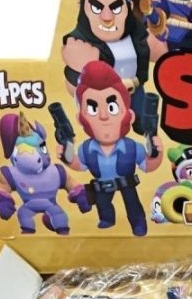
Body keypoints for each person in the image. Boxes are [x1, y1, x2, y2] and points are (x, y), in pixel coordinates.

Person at [59, 61, 163, 236]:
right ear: (80, 118)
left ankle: (138, 223)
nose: (103, 116)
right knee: (103, 204)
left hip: (127, 183)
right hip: (102, 185)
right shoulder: (87, 148)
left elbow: (147, 165)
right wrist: (66, 156)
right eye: (92, 108)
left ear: (129, 115)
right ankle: (107, 219)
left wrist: (156, 153)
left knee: (133, 205)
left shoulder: (131, 147)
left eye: (112, 107)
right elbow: (79, 164)